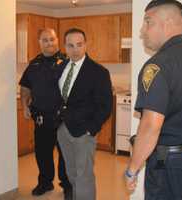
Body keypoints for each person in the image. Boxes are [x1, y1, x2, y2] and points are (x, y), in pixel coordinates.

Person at [124, 0, 182, 199]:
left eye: (148, 22)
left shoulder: (158, 66)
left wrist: (132, 169)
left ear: (168, 23)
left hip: (170, 166)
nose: (142, 31)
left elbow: (151, 126)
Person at [55, 28, 113, 200]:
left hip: (83, 132)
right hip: (62, 129)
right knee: (71, 173)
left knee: (84, 176)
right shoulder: (60, 67)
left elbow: (105, 105)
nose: (75, 50)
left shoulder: (98, 72)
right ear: (64, 46)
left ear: (86, 45)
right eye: (70, 45)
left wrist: (91, 129)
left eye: (79, 45)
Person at [19, 28, 71, 198]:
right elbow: (25, 87)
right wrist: (25, 105)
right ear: (39, 42)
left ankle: (68, 186)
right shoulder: (34, 64)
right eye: (45, 40)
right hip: (41, 118)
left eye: (52, 39)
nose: (49, 43)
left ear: (57, 40)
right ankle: (45, 183)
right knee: (42, 153)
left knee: (66, 155)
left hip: (63, 118)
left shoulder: (67, 62)